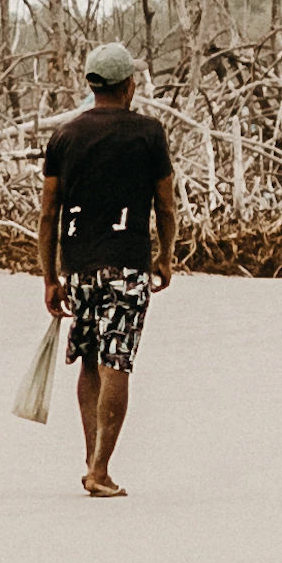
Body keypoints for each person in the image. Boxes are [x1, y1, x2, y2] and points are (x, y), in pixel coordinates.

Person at [38, 43, 176, 497]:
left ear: (91, 84)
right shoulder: (149, 134)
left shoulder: (65, 136)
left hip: (78, 266)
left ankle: (91, 456)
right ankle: (99, 469)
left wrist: (50, 277)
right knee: (119, 360)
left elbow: (48, 213)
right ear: (129, 85)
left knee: (92, 359)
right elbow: (165, 204)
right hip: (127, 265)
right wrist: (165, 255)